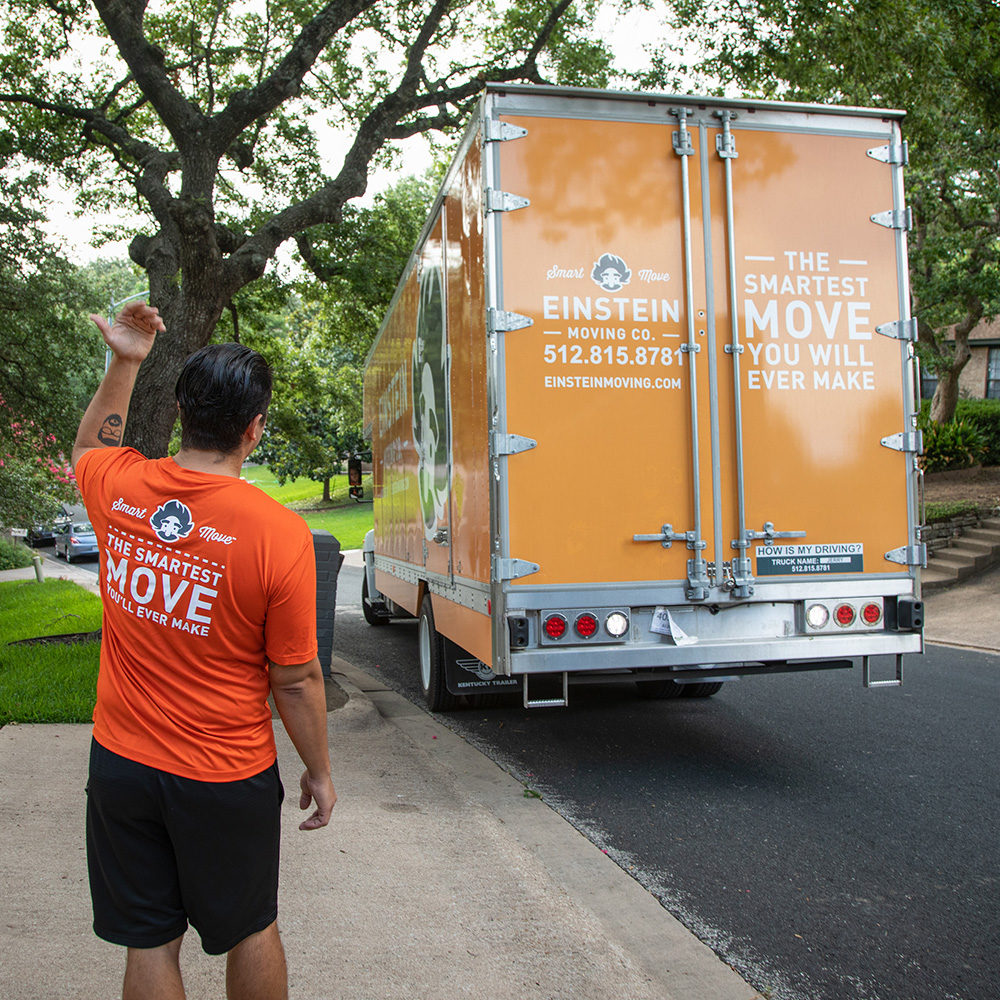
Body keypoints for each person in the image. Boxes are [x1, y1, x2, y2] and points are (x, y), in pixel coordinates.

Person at [72, 301, 336, 1000]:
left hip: (123, 764)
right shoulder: (279, 535)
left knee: (149, 939)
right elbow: (298, 678)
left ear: (183, 407)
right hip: (223, 774)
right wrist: (319, 770)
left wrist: (125, 361)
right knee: (250, 929)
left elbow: (88, 450)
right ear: (255, 429)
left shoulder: (123, 489)